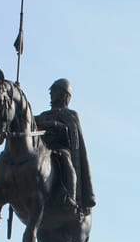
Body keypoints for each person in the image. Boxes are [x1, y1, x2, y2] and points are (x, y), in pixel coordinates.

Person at [35, 78, 96, 214]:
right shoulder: (45, 115)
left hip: (60, 149)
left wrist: (58, 127)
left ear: (63, 95)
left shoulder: (70, 115)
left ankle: (71, 197)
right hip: (42, 150)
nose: (51, 94)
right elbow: (31, 121)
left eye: (54, 91)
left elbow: (72, 134)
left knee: (66, 162)